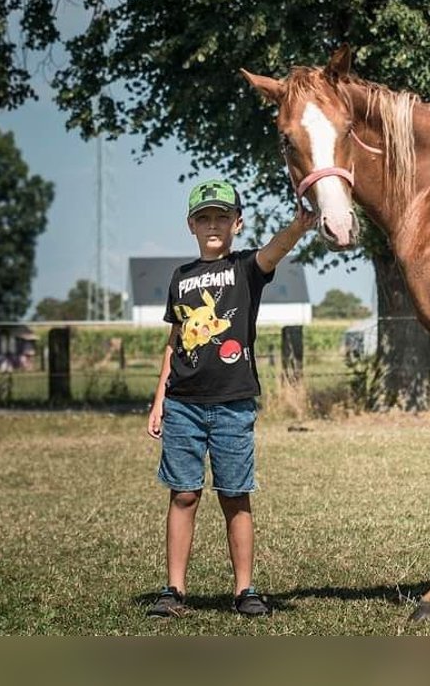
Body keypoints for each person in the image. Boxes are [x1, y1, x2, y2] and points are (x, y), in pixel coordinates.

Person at [146, 178, 315, 618]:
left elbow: (276, 249)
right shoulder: (180, 278)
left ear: (237, 223)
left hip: (232, 404)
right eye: (204, 218)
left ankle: (245, 590)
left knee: (234, 495)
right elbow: (175, 340)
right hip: (182, 403)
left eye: (223, 216)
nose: (213, 224)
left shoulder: (245, 268)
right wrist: (159, 398)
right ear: (191, 226)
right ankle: (174, 590)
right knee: (183, 494)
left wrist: (300, 224)